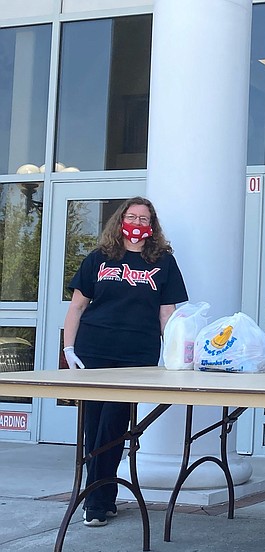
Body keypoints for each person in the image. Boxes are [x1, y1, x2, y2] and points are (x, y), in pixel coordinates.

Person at [63, 197, 188, 527]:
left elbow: (167, 313)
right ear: (120, 221)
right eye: (131, 216)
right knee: (94, 427)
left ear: (152, 225)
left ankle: (97, 499)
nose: (137, 222)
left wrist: (173, 353)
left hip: (136, 357)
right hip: (94, 353)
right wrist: (69, 349)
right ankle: (99, 500)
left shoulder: (163, 263)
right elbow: (77, 307)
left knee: (113, 427)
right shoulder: (98, 259)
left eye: (144, 218)